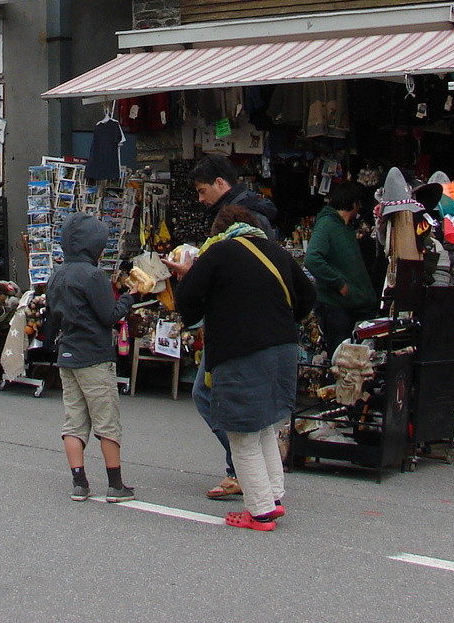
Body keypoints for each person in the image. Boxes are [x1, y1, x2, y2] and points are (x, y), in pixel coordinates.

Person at [168, 203, 315, 531]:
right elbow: (308, 294)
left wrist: (185, 275)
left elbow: (188, 307)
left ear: (220, 230)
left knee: (242, 431)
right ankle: (274, 496)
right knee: (263, 424)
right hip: (284, 349)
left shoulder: (218, 253)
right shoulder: (277, 252)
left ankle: (260, 511)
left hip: (241, 352)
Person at [45, 212, 136, 503]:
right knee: (107, 421)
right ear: (93, 247)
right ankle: (115, 485)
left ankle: (79, 482)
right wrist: (129, 298)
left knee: (74, 422)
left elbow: (53, 318)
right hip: (94, 357)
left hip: (67, 356)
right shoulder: (93, 276)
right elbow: (109, 315)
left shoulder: (57, 275)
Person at [305, 182, 377, 358]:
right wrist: (339, 284)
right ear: (353, 204)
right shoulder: (328, 224)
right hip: (336, 309)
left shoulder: (344, 227)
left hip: (350, 308)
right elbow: (312, 259)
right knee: (340, 362)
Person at [190, 155, 278, 238]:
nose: (200, 199)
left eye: (202, 191)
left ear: (219, 183)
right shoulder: (238, 208)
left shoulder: (245, 215)